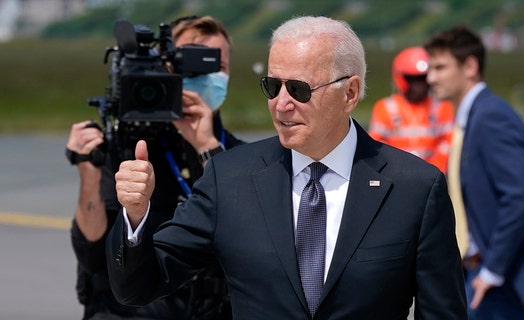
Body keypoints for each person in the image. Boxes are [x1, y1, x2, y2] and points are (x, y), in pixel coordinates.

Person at [105, 15, 467, 319]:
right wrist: (135, 216)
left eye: (298, 89)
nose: (280, 104)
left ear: (350, 93)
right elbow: (140, 285)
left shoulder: (414, 189)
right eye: (272, 86)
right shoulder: (229, 177)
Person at [66, 15, 243, 319]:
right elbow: (92, 255)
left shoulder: (240, 156)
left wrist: (207, 148)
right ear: (168, 68)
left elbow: (246, 239)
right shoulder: (129, 146)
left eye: (218, 65)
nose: (207, 74)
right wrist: (89, 174)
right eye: (194, 62)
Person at [424, 25, 524, 320]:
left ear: (470, 66)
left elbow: (518, 198)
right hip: (477, 271)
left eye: (440, 67)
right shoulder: (471, 117)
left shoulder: (491, 117)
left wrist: (493, 270)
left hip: (497, 279)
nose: (430, 77)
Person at [368, 46, 454, 172]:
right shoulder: (386, 108)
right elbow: (376, 146)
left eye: (422, 79)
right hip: (396, 175)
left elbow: (447, 144)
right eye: (412, 79)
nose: (419, 86)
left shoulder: (442, 107)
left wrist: (432, 171)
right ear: (401, 79)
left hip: (432, 176)